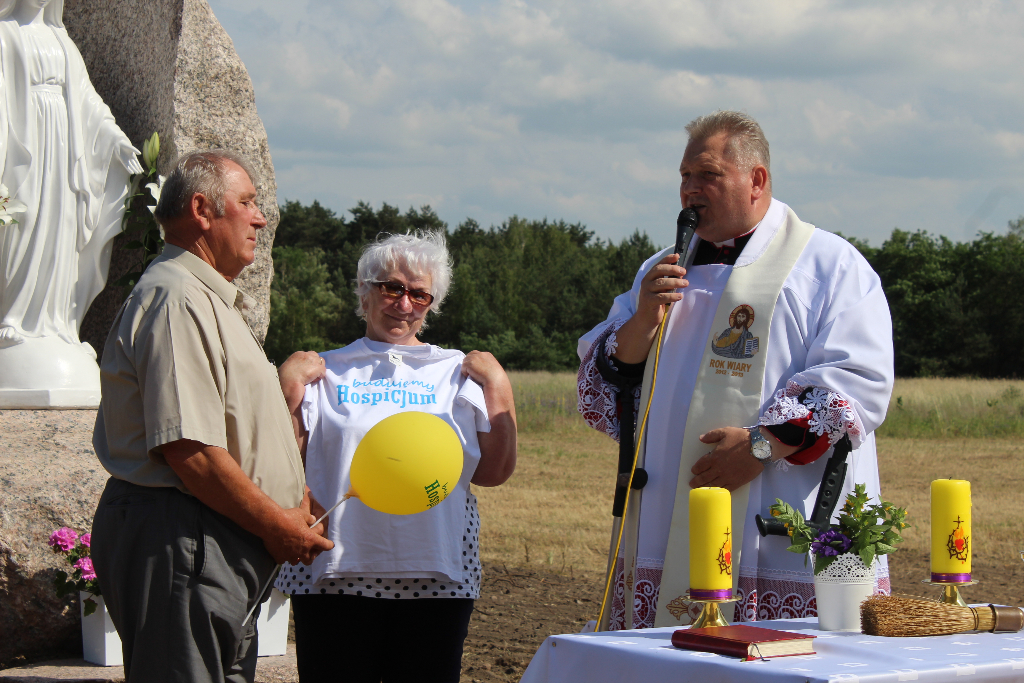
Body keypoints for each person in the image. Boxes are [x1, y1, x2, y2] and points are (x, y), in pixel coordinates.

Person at [577, 111, 894, 630]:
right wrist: (642, 320)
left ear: (757, 180)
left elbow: (858, 382)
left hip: (780, 513)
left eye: (707, 176)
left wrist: (760, 447)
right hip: (668, 509)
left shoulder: (828, 265)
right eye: (684, 177)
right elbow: (609, 382)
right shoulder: (663, 269)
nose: (689, 191)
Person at [90, 150, 334, 683]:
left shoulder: (204, 297)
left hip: (207, 539)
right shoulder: (177, 298)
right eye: (247, 202)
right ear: (202, 208)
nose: (261, 218)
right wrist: (277, 524)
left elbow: (226, 428)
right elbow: (189, 451)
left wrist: (288, 504)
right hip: (184, 537)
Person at [274, 231, 517, 683]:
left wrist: (500, 386)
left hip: (437, 578)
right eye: (391, 288)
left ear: (432, 303)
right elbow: (287, 462)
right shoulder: (324, 369)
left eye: (419, 294)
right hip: (335, 573)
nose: (404, 304)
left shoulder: (460, 371)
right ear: (364, 291)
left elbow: (494, 472)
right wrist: (286, 390)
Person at [0, 0, 141, 352]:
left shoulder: (62, 39)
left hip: (63, 149)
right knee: (24, 221)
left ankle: (55, 322)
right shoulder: (5, 34)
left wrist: (116, 141)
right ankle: (12, 316)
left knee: (60, 227)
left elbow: (87, 101)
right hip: (23, 146)